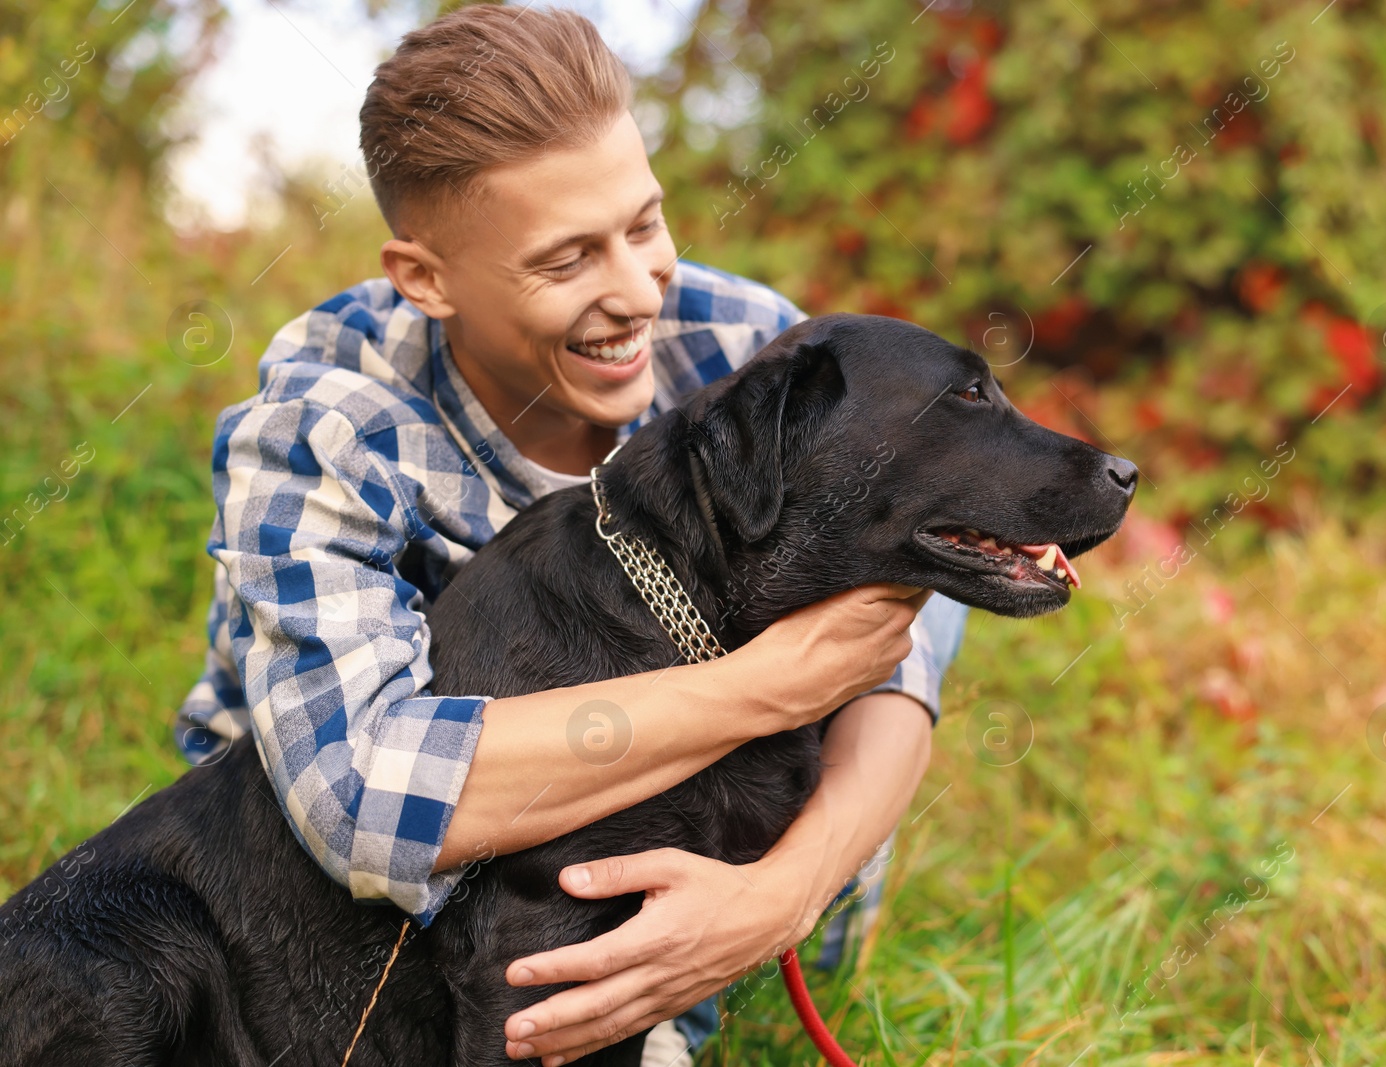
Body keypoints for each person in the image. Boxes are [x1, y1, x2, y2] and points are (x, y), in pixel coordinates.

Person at [173, 6, 967, 1064]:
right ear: (425, 278)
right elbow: (361, 795)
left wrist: (779, 895)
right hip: (340, 935)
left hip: (700, 852)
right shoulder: (324, 430)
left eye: (643, 224)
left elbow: (897, 641)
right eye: (566, 261)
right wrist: (770, 687)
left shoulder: (740, 347)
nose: (638, 292)